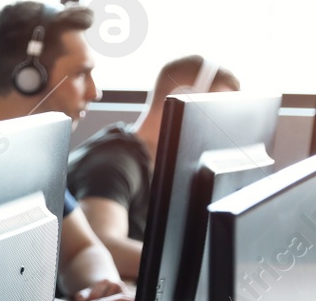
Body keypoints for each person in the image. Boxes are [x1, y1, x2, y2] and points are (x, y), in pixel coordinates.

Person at [0, 1, 133, 301]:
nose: (95, 91)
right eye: (80, 74)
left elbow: (81, 248)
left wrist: (101, 285)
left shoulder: (34, 159)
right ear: (29, 77)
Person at [68, 55, 240, 279]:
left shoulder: (166, 163)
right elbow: (104, 244)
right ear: (182, 100)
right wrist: (198, 272)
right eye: (218, 115)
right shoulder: (113, 163)